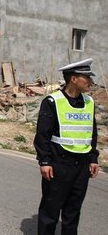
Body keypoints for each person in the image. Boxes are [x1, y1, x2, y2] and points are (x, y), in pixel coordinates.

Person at [34, 58, 100, 235]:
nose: (90, 82)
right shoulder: (52, 101)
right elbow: (43, 134)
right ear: (74, 79)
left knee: (73, 211)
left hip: (82, 166)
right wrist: (44, 161)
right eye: (87, 77)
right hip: (58, 164)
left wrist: (93, 158)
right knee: (50, 209)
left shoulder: (89, 102)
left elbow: (91, 133)